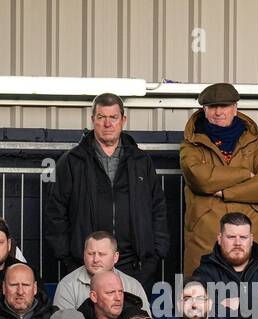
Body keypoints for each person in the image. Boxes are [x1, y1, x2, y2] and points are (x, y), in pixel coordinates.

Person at [45, 92, 167, 284]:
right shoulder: (72, 161)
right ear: (93, 119)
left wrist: (155, 255)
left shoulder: (141, 161)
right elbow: (56, 213)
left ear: (123, 120)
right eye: (101, 117)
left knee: (134, 314)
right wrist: (68, 258)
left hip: (135, 266)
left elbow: (158, 209)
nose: (107, 124)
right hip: (87, 265)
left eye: (113, 117)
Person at [178, 83, 258, 276]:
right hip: (206, 233)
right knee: (203, 298)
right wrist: (244, 174)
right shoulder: (192, 143)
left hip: (253, 233)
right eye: (212, 107)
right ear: (204, 110)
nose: (218, 112)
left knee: (257, 299)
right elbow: (199, 177)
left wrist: (225, 192)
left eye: (223, 106)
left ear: (235, 108)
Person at [192, 212, 258, 319]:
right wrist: (257, 305)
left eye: (243, 237)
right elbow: (201, 311)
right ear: (220, 238)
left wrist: (239, 304)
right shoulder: (204, 273)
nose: (237, 243)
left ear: (251, 239)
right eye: (231, 237)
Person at [51, 232, 149, 312]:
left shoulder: (133, 286)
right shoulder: (67, 285)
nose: (95, 259)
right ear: (84, 255)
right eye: (90, 253)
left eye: (102, 254)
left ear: (115, 257)